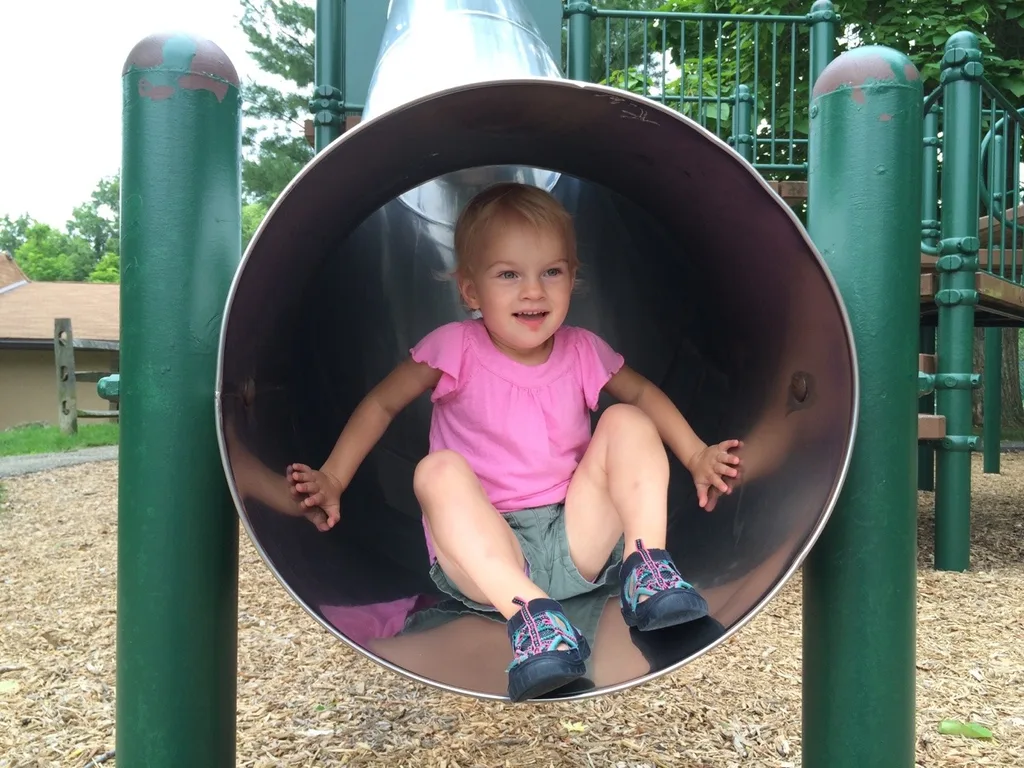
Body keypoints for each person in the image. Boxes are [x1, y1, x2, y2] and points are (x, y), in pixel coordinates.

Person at [286, 182, 742, 701]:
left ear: (573, 277)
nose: (533, 291)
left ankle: (649, 571)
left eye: (552, 272)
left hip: (576, 539)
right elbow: (382, 404)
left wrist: (696, 453)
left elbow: (642, 391)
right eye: (509, 274)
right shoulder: (454, 347)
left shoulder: (582, 349)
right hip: (487, 557)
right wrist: (334, 476)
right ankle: (533, 619)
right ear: (470, 291)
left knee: (627, 418)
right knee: (436, 471)